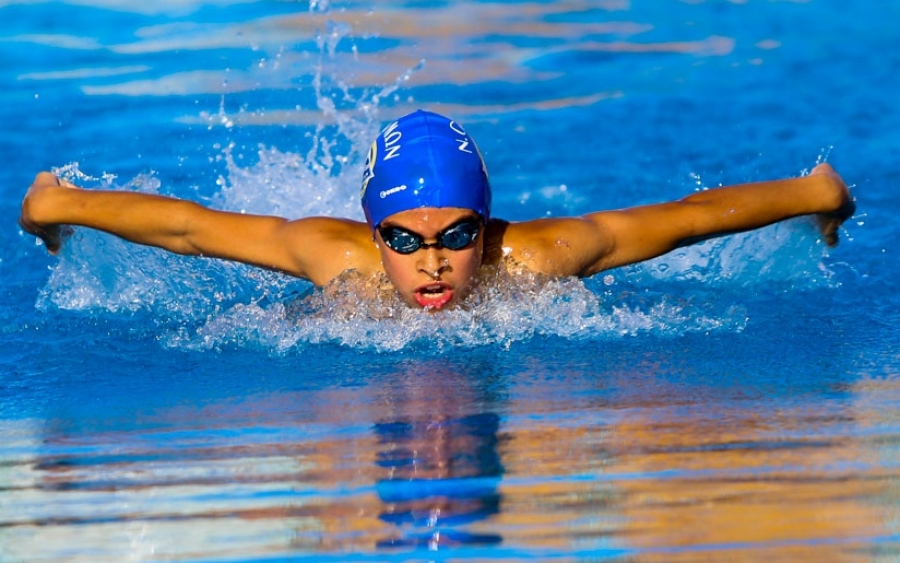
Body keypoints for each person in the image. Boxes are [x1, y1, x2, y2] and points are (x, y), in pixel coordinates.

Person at [19, 109, 855, 311]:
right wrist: (59, 204)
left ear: (485, 229)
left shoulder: (533, 257)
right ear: (373, 230)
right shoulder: (335, 258)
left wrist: (816, 194)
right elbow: (190, 228)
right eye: (405, 239)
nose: (433, 261)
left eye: (457, 236)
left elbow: (688, 218)